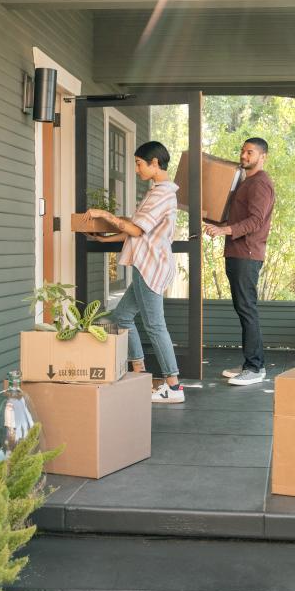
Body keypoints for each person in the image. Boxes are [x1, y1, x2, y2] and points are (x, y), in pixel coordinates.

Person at [86, 141, 185, 404]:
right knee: (122, 316)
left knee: (155, 325)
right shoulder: (158, 191)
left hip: (150, 267)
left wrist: (105, 215)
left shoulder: (161, 194)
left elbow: (137, 231)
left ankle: (173, 386)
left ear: (154, 163)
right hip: (148, 265)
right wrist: (104, 239)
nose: (136, 169)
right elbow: (135, 227)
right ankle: (139, 373)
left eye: (139, 163)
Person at [204, 138, 275, 386]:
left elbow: (255, 221)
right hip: (236, 253)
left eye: (250, 152)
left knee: (247, 310)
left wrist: (225, 231)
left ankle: (256, 368)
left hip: (247, 255)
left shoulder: (261, 184)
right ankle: (249, 363)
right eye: (242, 151)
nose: (244, 156)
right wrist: (219, 226)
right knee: (243, 309)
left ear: (262, 156)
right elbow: (240, 219)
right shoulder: (247, 182)